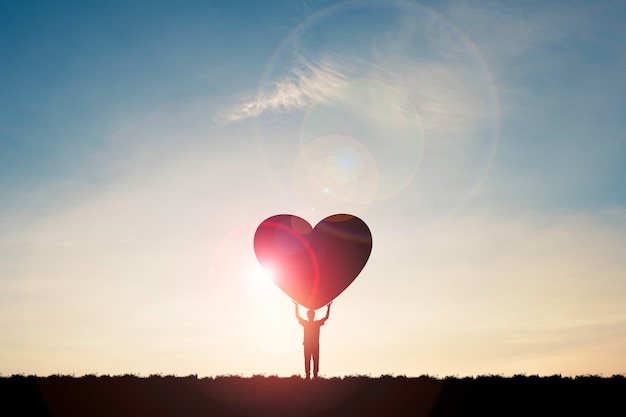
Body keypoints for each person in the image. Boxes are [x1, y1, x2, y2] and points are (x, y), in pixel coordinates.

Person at [294, 301, 331, 379]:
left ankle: (311, 375)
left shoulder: (307, 323)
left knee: (311, 360)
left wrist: (296, 306)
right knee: (313, 360)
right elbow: (326, 317)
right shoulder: (315, 323)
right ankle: (312, 375)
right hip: (312, 345)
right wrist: (328, 308)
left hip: (310, 345)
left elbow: (297, 316)